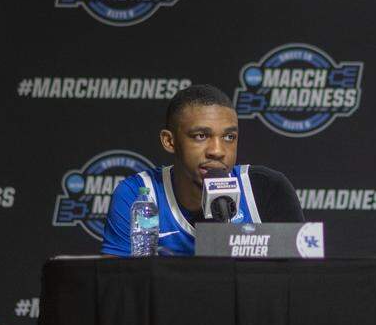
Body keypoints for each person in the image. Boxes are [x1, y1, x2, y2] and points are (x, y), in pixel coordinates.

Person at [102, 84, 303, 256]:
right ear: (169, 141)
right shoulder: (137, 195)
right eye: (200, 136)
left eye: (229, 137)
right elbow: (118, 287)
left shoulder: (267, 189)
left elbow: (296, 285)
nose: (217, 151)